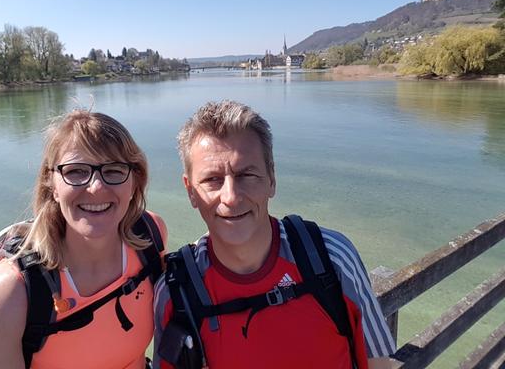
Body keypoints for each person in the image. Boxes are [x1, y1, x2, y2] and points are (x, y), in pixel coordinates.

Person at [153, 100, 395, 369]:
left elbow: (380, 364)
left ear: (272, 179)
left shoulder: (332, 257)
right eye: (212, 179)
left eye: (247, 174)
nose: (231, 197)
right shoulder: (176, 292)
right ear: (190, 191)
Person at [0, 110, 167, 369]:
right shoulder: (10, 294)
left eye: (114, 170)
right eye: (76, 171)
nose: (96, 187)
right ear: (51, 185)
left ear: (135, 182)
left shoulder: (151, 235)